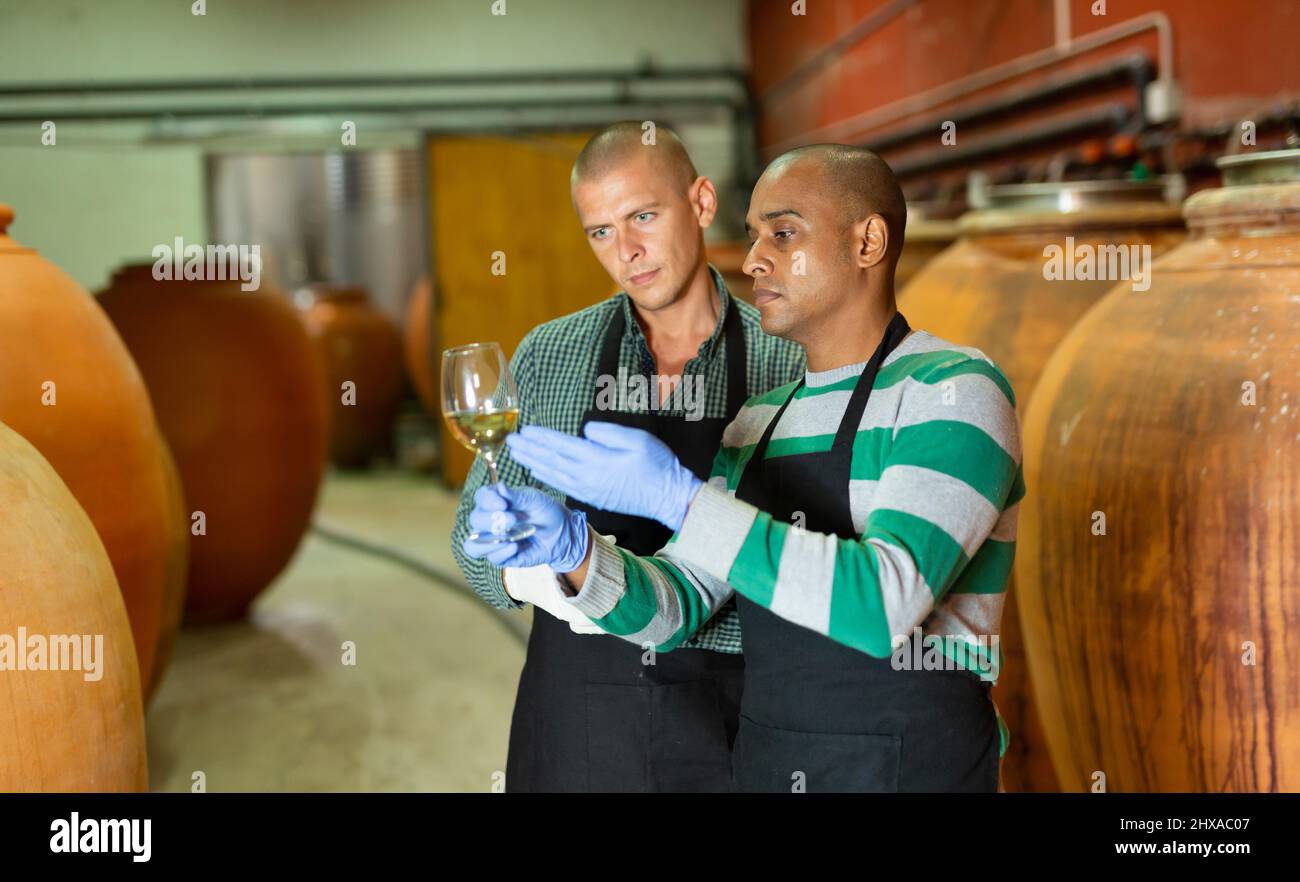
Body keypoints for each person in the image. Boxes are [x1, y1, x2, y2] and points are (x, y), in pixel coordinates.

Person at [467, 144, 1024, 792]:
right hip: (768, 768)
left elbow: (883, 604)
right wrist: (575, 555)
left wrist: (681, 502)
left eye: (783, 233)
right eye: (755, 234)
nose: (754, 258)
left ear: (868, 241)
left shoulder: (951, 391)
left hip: (912, 772)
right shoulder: (759, 422)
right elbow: (676, 609)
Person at [450, 122, 805, 792]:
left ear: (701, 203)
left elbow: (809, 572)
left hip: (734, 721)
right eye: (601, 231)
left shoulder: (785, 358)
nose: (628, 252)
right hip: (580, 727)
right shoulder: (552, 354)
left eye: (643, 216)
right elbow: (471, 544)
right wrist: (553, 574)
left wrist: (626, 585)